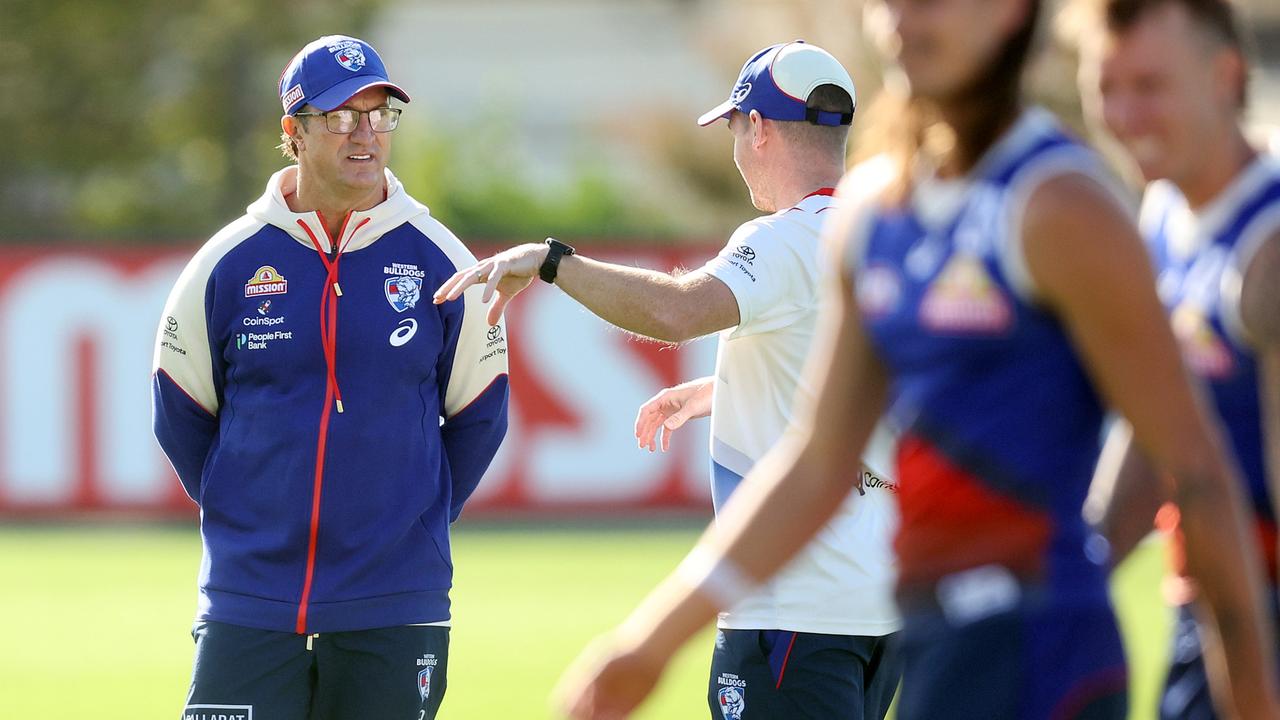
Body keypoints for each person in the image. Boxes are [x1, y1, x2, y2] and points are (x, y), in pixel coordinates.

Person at [549, 0, 1280, 717]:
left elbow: (1193, 469)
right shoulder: (874, 211)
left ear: (1009, 15)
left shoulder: (1065, 203)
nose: (903, 17)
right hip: (930, 643)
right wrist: (650, 642)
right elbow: (815, 465)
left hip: (1042, 656)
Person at [435, 41, 904, 720]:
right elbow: (870, 380)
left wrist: (551, 262)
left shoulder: (782, 238)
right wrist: (727, 392)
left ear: (760, 128)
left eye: (737, 130)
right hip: (878, 606)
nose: (738, 148)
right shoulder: (882, 228)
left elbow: (678, 311)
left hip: (790, 606)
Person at [151, 35, 508, 720]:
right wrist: (251, 507)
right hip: (249, 598)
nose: (365, 135)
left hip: (396, 599)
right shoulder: (226, 263)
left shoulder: (442, 261)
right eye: (341, 116)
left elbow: (480, 414)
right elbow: (179, 413)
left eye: (380, 115)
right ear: (294, 131)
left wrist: (409, 517)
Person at [1071, 0, 1280, 717]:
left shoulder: (1270, 252)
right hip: (1211, 612)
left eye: (1150, 86)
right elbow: (1157, 428)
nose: (1124, 115)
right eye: (1106, 88)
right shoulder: (1161, 211)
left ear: (1225, 76)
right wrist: (1070, 574)